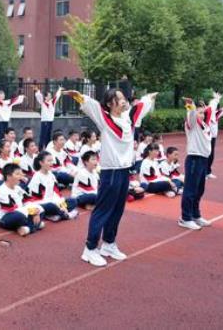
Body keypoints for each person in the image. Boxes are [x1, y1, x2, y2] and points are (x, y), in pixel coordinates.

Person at [66, 88, 156, 267]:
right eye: (118, 99)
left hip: (124, 171)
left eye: (123, 98)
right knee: (103, 210)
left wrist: (149, 97)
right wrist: (78, 96)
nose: (123, 101)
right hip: (110, 172)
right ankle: (90, 249)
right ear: (109, 104)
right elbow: (91, 105)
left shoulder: (128, 118)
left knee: (117, 210)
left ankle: (108, 243)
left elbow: (140, 107)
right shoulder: (105, 119)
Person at [178, 96, 217, 230]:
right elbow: (191, 116)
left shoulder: (205, 125)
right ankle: (185, 218)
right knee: (190, 189)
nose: (202, 114)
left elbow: (211, 110)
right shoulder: (191, 125)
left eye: (202, 112)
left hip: (203, 160)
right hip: (194, 159)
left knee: (199, 189)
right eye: (199, 112)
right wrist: (191, 107)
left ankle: (195, 214)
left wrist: (214, 100)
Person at [0, 164, 44, 236]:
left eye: (21, 174)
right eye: (17, 174)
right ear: (8, 177)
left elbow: (29, 201)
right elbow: (12, 209)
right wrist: (32, 212)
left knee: (41, 208)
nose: (21, 177)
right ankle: (32, 226)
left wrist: (36, 211)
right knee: (19, 216)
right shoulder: (2, 190)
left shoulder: (18, 188)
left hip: (21, 213)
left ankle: (26, 228)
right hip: (4, 218)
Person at [27, 152, 79, 221]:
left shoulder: (51, 175)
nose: (52, 163)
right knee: (51, 206)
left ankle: (56, 214)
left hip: (54, 202)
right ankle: (65, 215)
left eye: (52, 160)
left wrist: (62, 205)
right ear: (41, 163)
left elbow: (57, 193)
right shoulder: (37, 177)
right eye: (49, 161)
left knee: (73, 201)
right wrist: (58, 205)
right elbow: (36, 199)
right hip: (42, 203)